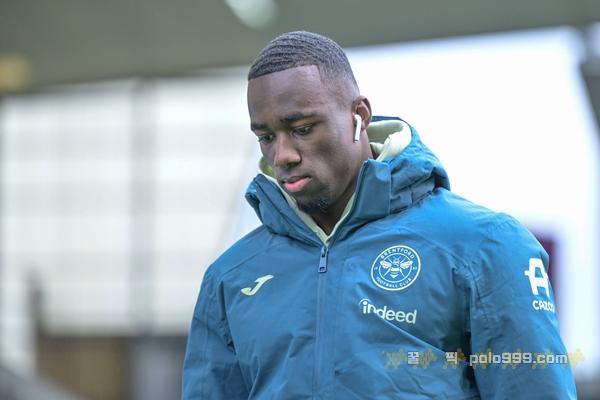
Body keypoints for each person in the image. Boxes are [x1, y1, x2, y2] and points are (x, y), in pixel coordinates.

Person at [182, 31, 576, 399]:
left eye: (302, 128)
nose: (282, 155)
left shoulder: (485, 245)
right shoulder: (230, 277)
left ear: (359, 115)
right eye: (266, 137)